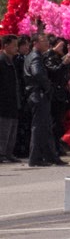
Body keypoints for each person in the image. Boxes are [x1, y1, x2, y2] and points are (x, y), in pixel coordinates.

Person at [23, 36, 64, 167]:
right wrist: (48, 87)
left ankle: (50, 156)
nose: (47, 43)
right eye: (44, 41)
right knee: (39, 127)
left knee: (45, 127)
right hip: (38, 94)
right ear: (35, 43)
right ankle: (35, 158)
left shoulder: (34, 55)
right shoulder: (35, 56)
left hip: (37, 94)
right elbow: (37, 73)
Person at [0, 34, 20, 163]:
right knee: (4, 129)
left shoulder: (13, 61)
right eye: (14, 45)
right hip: (3, 101)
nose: (16, 48)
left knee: (12, 128)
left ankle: (8, 153)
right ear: (6, 45)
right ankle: (1, 154)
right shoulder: (1, 61)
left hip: (13, 100)